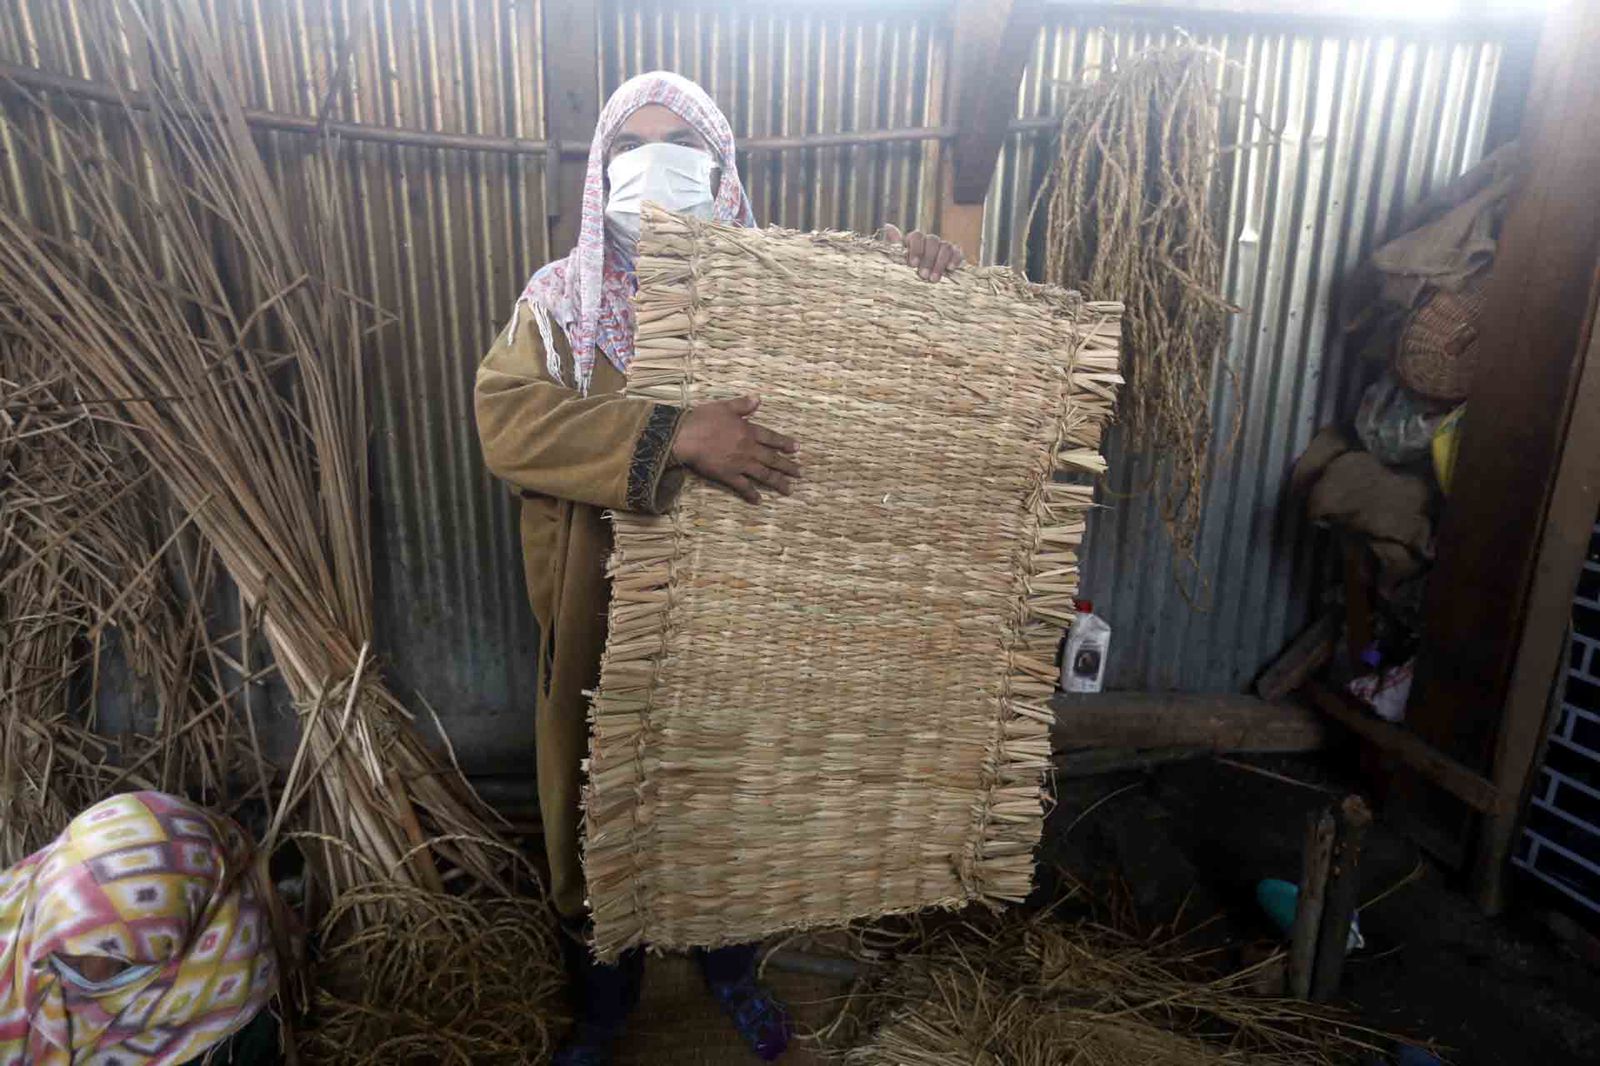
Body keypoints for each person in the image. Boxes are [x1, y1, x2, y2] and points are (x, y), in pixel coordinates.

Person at [475, 70, 963, 1064]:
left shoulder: (773, 296)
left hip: (742, 616)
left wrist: (921, 280)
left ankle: (731, 973)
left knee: (724, 799)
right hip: (603, 618)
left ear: (722, 166)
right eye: (630, 144)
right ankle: (605, 1003)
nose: (653, 163)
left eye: (680, 143)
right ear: (597, 168)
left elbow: (877, 369)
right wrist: (669, 435)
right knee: (597, 802)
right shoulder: (559, 305)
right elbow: (506, 420)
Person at [0, 791, 281, 1066]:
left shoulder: (232, 983)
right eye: (65, 955)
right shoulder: (29, 900)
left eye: (117, 960)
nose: (73, 982)